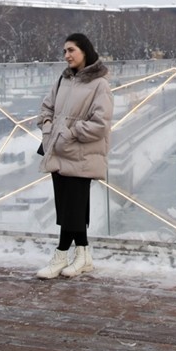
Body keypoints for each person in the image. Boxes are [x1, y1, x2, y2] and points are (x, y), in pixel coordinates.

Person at [35, 32, 113, 279]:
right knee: (68, 208)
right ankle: (84, 256)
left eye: (71, 50)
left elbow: (100, 123)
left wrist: (70, 133)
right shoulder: (63, 80)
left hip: (80, 153)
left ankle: (60, 255)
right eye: (65, 51)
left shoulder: (99, 84)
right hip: (58, 151)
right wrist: (48, 127)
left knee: (72, 208)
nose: (66, 55)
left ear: (84, 51)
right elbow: (46, 107)